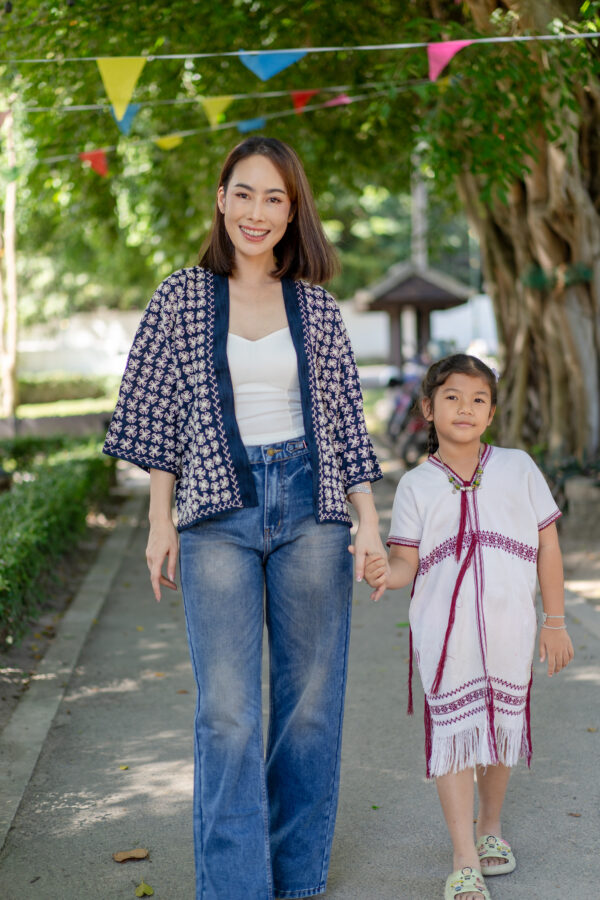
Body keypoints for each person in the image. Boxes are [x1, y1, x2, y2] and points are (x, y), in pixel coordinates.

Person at [103, 136, 384, 900]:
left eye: (275, 198)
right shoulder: (181, 297)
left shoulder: (317, 308)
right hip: (216, 513)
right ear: (221, 198)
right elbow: (157, 417)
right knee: (227, 712)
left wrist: (367, 522)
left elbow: (347, 423)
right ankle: (235, 888)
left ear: (293, 213)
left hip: (312, 511)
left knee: (311, 710)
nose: (257, 211)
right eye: (245, 193)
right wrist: (161, 522)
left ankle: (295, 880)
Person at [364, 354, 574, 900]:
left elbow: (548, 544)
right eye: (453, 397)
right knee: (455, 736)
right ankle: (462, 858)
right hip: (443, 633)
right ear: (428, 409)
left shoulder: (518, 467)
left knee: (502, 726)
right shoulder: (414, 485)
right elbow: (407, 560)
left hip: (511, 626)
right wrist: (388, 570)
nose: (466, 408)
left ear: (492, 413)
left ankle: (490, 830)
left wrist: (555, 621)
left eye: (478, 399)